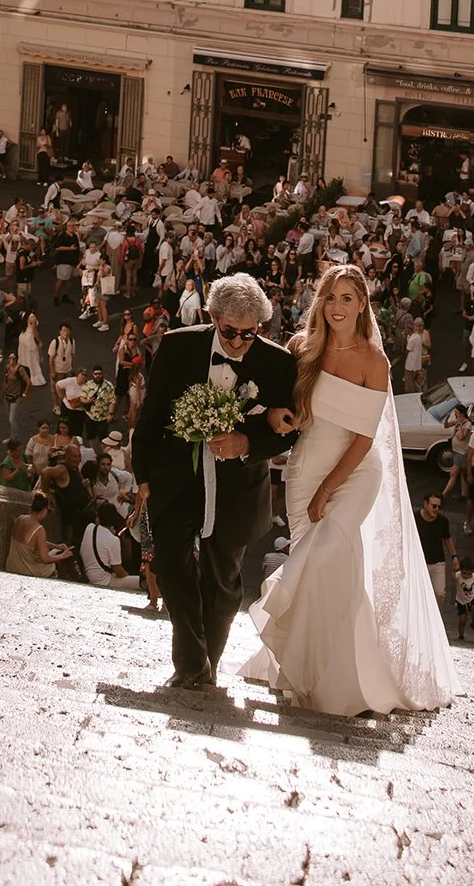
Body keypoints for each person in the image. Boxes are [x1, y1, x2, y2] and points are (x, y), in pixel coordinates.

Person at [242, 264, 460, 715]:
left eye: (347, 298)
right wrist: (271, 418)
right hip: (304, 470)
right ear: (320, 302)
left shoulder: (373, 361)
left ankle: (335, 681)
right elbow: (274, 402)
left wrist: (327, 491)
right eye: (330, 297)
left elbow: (363, 439)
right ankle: (319, 671)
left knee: (322, 558)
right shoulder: (302, 347)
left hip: (355, 472)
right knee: (329, 572)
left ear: (363, 304)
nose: (337, 307)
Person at [131, 272, 298, 692]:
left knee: (223, 580)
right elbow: (150, 414)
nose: (240, 342)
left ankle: (209, 660)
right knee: (170, 563)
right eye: (230, 332)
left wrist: (247, 441)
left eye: (250, 333)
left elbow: (292, 428)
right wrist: (142, 476)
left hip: (238, 485)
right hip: (174, 477)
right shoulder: (177, 345)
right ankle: (189, 662)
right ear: (213, 316)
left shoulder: (278, 362)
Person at [6, 493, 74, 579]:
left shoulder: (20, 518)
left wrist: (56, 546)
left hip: (12, 565)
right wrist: (63, 556)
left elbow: (34, 542)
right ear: (44, 510)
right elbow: (44, 558)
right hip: (26, 569)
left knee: (53, 552)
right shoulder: (39, 529)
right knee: (52, 565)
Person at [80, 503, 142, 592]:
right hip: (105, 581)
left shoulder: (89, 528)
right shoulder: (113, 540)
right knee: (142, 582)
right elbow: (119, 571)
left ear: (98, 517)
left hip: (89, 575)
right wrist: (128, 576)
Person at [415, 489, 459, 606]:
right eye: (434, 506)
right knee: (418, 593)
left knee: (439, 593)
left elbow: (447, 538)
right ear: (425, 504)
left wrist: (454, 556)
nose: (436, 509)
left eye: (439, 507)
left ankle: (435, 618)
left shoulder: (443, 522)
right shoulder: (415, 519)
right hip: (419, 563)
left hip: (437, 562)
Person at [452, 559, 474, 640]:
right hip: (461, 600)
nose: (466, 575)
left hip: (472, 598)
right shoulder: (458, 575)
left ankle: (473, 622)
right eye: (464, 573)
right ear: (461, 571)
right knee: (462, 619)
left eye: (469, 574)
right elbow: (453, 578)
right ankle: (461, 635)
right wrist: (453, 570)